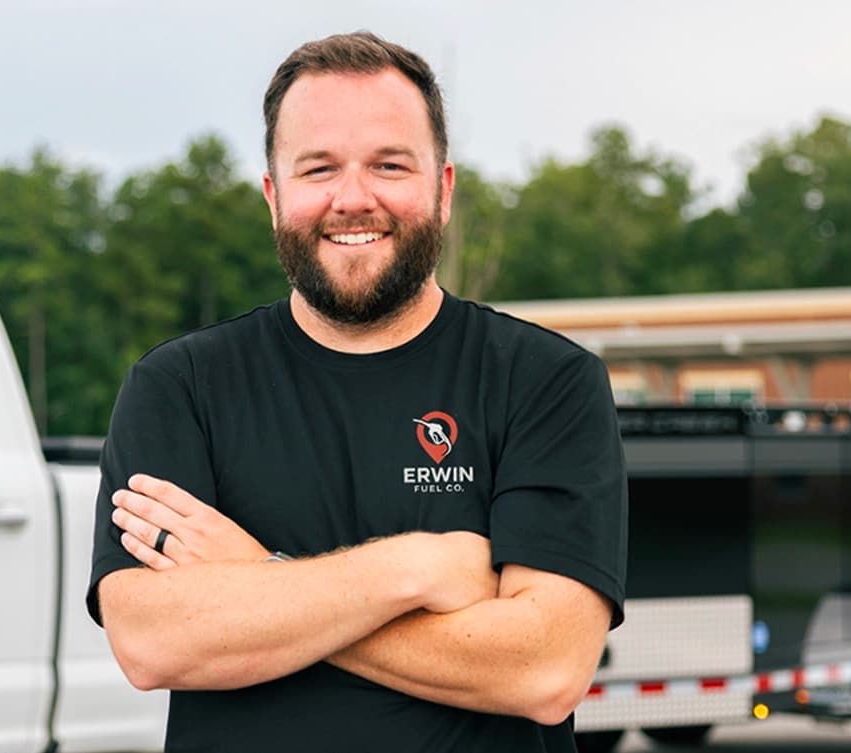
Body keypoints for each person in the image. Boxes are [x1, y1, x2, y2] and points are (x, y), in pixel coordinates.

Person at [86, 31, 627, 753]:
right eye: (318, 169)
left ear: (443, 189)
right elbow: (152, 642)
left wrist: (258, 580)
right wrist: (416, 568)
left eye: (389, 164)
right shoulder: (181, 387)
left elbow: (543, 667)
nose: (352, 198)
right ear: (274, 196)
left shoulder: (545, 382)